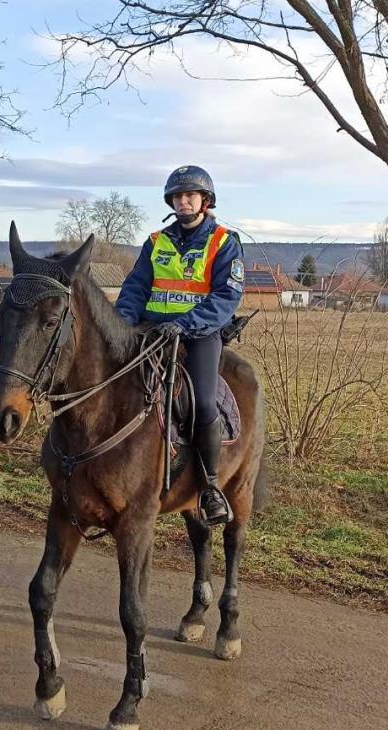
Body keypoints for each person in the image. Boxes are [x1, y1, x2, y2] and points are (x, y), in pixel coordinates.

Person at [114, 165, 244, 525]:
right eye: (178, 196)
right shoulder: (156, 242)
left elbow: (225, 298)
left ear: (205, 201)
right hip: (151, 332)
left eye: (190, 195)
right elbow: (135, 288)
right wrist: (121, 324)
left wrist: (185, 324)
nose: (183, 201)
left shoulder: (223, 242)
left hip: (199, 336)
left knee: (202, 403)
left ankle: (211, 487)